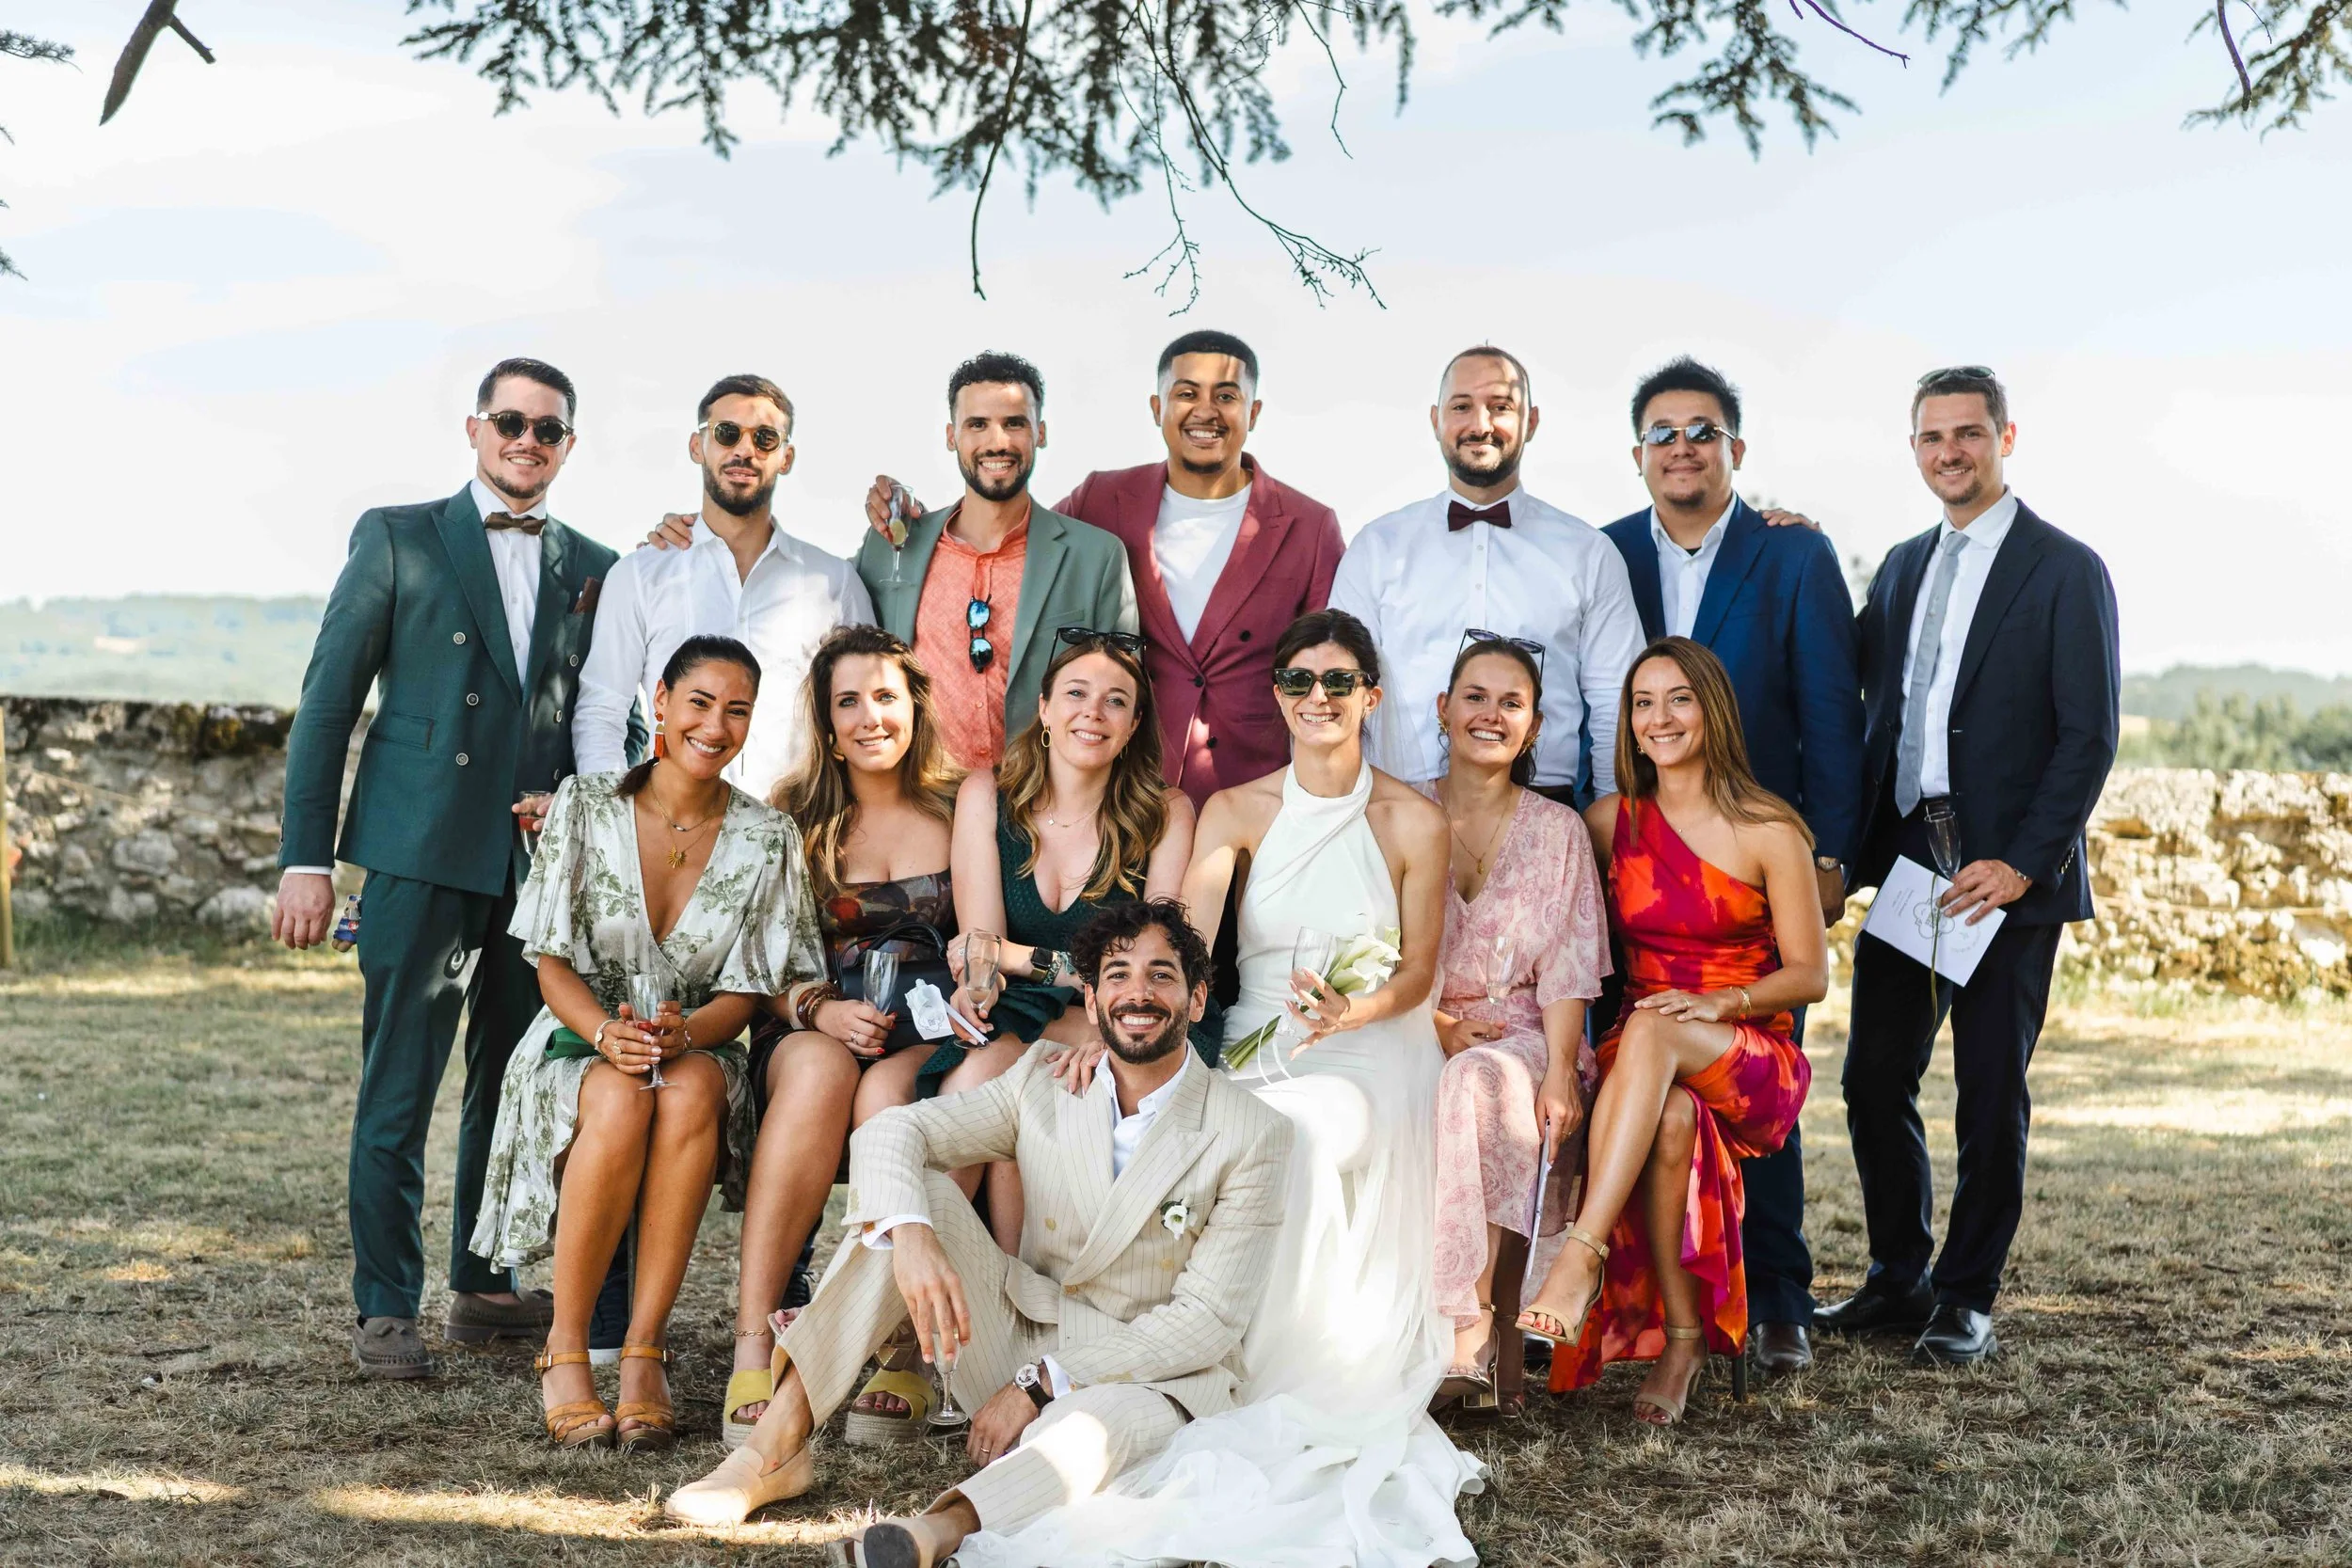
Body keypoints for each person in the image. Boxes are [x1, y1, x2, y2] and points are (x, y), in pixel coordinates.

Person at [960, 608, 1480, 1568]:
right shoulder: (1236, 809)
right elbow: (1177, 949)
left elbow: (1417, 974)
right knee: (1194, 1118)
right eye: (1298, 681)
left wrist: (1357, 1014)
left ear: (1371, 695)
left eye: (1337, 682)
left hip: (1371, 1046)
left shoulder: (1415, 817)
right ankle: (1129, 1344)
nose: (1316, 698)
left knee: (1300, 1132)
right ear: (1276, 695)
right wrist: (1113, 1033)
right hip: (1249, 1040)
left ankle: (1255, 1371)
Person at [661, 899, 1296, 1565]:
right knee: (917, 1198)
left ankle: (935, 1532)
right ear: (1091, 994)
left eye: (1161, 975)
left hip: (1150, 1375)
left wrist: (1044, 1381)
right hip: (1025, 1330)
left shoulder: (1251, 1132)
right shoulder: (1044, 1079)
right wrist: (911, 1240)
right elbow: (892, 1131)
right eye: (1117, 974)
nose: (1137, 993)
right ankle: (774, 1450)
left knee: (1100, 1428)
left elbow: (1205, 1322)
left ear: (1197, 999)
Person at [273, 356, 624, 1378]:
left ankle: (481, 1281)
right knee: (399, 1086)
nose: (527, 439)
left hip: (534, 866)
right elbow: (328, 703)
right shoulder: (398, 536)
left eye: (547, 428)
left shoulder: (594, 564)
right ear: (475, 429)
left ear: (569, 444)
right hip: (418, 856)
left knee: (509, 1082)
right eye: (509, 421)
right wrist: (306, 857)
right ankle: (386, 1303)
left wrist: (590, 809)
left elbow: (608, 714)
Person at [1819, 367, 2120, 1367]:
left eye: (1967, 433)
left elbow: (2088, 734)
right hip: (1913, 862)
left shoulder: (2063, 568)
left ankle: (1966, 1294)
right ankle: (1898, 1275)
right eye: (1931, 436)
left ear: (2005, 436)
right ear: (1913, 448)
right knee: (1871, 1080)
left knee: (1990, 1095)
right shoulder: (1902, 566)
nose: (1949, 451)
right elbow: (1854, 682)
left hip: (2003, 878)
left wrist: (2026, 863)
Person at [466, 635, 827, 1451]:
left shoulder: (769, 836)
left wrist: (687, 1031)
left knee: (692, 1086)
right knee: (622, 1093)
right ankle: (564, 1348)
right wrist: (603, 1031)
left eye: (737, 709)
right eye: (699, 701)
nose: (716, 724)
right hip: (577, 1035)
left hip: (699, 1042)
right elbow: (547, 960)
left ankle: (642, 1354)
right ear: (658, 703)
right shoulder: (586, 805)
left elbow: (757, 984)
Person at [1599, 356, 1866, 1377]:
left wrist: (1830, 853)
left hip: (1754, 870)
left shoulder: (1793, 555)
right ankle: (1638, 1298)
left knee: (1764, 1102)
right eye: (1661, 432)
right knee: (1646, 1085)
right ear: (1637, 455)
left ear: (1734, 449)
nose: (1681, 447)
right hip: (1648, 863)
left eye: (1700, 430)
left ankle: (1780, 1298)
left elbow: (1830, 712)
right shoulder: (1606, 551)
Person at [1517, 637, 1827, 1422]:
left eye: (1679, 698)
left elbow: (1810, 975)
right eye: (1643, 702)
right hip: (1646, 1045)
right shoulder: (1606, 821)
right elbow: (1553, 921)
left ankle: (1577, 1260)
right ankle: (1686, 1339)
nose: (1660, 718)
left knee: (1655, 1027)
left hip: (1749, 1047)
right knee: (1670, 1112)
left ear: (1712, 709)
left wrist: (1721, 1006)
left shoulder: (1770, 829)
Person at [860, 330, 1347, 805]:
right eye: (1185, 393)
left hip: (1252, 791)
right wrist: (902, 506)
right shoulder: (1104, 501)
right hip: (1120, 791)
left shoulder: (1308, 526)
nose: (1205, 410)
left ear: (1253, 412)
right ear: (1157, 408)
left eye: (1226, 395)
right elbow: (1014, 526)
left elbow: (1332, 672)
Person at [719, 625, 964, 1447]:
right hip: (810, 1022)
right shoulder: (791, 815)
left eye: (885, 696)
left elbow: (988, 935)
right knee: (826, 1072)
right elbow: (752, 964)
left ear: (914, 706)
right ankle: (757, 1338)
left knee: (909, 1093)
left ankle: (904, 1339)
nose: (869, 717)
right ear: (825, 720)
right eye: (848, 701)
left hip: (930, 1028)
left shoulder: (962, 806)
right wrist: (819, 1009)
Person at [938, 628, 1199, 1246]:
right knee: (986, 1072)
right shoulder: (987, 796)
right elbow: (982, 950)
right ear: (1046, 710)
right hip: (1020, 1012)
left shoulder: (1167, 814)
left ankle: (1009, 1296)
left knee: (1013, 1076)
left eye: (1115, 701)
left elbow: (1153, 970)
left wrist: (1014, 959)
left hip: (1124, 1020)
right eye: (1077, 692)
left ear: (1134, 725)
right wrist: (976, 986)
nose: (1093, 711)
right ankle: (924, 1288)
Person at [1418, 634, 1609, 1402]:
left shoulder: (1559, 830)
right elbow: (1372, 947)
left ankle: (1469, 1329)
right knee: (1459, 1075)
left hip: (1530, 1034)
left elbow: (1569, 967)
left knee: (1479, 1082)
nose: (1490, 714)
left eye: (1511, 702)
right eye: (1475, 696)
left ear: (1534, 727)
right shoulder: (1400, 807)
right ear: (1442, 709)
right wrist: (1431, 1024)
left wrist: (1562, 1069)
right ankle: (1469, 1337)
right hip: (1414, 1019)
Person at [1329, 343, 1645, 806]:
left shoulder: (1589, 553)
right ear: (1436, 419)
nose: (1481, 425)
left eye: (1501, 407)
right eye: (1462, 407)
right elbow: (1341, 689)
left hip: (1546, 807)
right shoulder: (1377, 547)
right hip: (1397, 809)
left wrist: (1611, 817)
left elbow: (1614, 703)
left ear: (1531, 421)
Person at [575, 373, 872, 800]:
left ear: (786, 457)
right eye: (727, 433)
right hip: (669, 836)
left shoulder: (832, 582)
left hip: (801, 832)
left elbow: (864, 715)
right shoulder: (640, 575)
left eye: (765, 438)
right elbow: (603, 712)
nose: (745, 450)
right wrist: (611, 823)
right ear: (698, 447)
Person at [854, 351, 1137, 770]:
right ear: (952, 436)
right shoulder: (890, 545)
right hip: (923, 804)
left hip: (1043, 806)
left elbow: (1124, 694)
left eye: (1014, 423)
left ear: (1040, 432)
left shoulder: (1097, 557)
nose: (997, 442)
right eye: (978, 424)